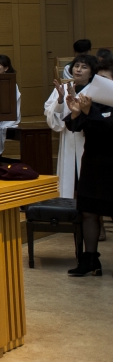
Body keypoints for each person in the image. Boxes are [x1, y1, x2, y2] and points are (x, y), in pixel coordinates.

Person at [64, 57, 113, 276]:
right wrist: (76, 111)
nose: (99, 84)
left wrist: (87, 111)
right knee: (88, 212)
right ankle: (90, 259)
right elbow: (74, 127)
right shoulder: (91, 102)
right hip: (92, 163)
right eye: (98, 79)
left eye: (105, 80)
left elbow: (108, 128)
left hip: (112, 165)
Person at [45, 54, 98, 198]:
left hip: (87, 140)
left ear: (91, 72)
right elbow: (51, 115)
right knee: (69, 179)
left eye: (84, 67)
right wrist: (60, 100)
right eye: (76, 66)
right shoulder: (63, 88)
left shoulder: (95, 90)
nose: (78, 70)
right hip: (68, 138)